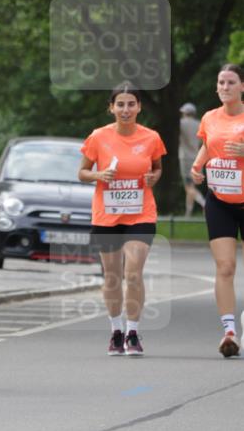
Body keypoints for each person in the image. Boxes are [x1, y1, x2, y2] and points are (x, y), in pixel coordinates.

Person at [78, 82, 166, 356]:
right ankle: (116, 331)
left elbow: (157, 168)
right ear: (111, 107)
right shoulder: (98, 137)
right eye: (120, 104)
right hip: (107, 215)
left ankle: (133, 332)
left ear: (139, 107)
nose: (125, 109)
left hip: (141, 212)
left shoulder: (151, 138)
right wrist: (98, 175)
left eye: (131, 104)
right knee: (113, 276)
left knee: (133, 273)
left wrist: (154, 177)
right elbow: (82, 172)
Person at [190, 63, 244, 358]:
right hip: (220, 200)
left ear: (242, 86)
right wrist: (198, 166)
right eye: (221, 82)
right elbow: (210, 146)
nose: (224, 87)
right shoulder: (210, 117)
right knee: (225, 267)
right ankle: (229, 332)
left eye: (231, 82)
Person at [179, 102, 205, 216]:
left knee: (188, 187)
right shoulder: (199, 124)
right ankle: (188, 214)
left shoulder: (181, 123)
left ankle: (205, 204)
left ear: (184, 113)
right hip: (197, 157)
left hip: (185, 158)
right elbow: (201, 142)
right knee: (191, 187)